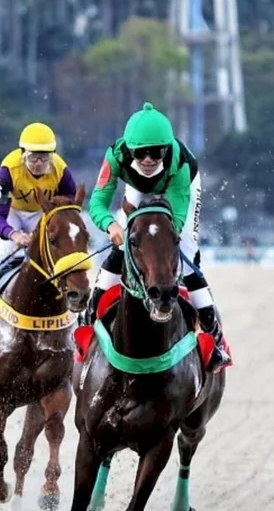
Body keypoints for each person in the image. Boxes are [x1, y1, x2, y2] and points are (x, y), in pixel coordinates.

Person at [84, 102, 231, 372]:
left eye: (156, 152)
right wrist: (111, 226)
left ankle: (216, 337)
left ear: (167, 149)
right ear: (129, 150)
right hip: (137, 188)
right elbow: (97, 203)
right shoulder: (115, 155)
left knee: (185, 253)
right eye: (141, 153)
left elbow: (174, 221)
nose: (149, 159)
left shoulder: (179, 162)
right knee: (122, 247)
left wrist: (159, 238)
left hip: (180, 188)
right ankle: (88, 318)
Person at [0, 122, 78, 330]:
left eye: (45, 157)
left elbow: (69, 206)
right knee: (6, 249)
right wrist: (14, 235)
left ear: (53, 155)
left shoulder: (61, 171)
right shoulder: (9, 170)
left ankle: (77, 303)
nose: (39, 163)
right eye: (33, 157)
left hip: (40, 211)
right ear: (22, 154)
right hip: (9, 210)